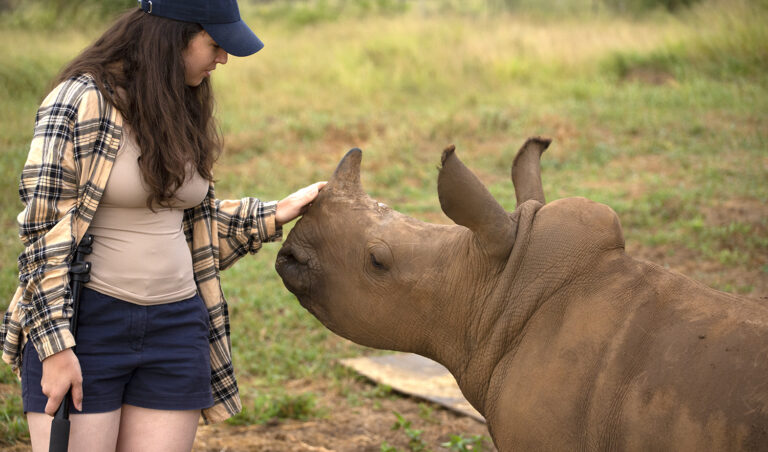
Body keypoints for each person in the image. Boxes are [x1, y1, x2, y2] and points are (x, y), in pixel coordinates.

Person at [0, 1, 325, 450]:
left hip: (177, 324)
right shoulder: (81, 100)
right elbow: (42, 234)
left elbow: (187, 224)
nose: (223, 58)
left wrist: (274, 212)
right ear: (171, 38)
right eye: (214, 44)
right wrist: (56, 348)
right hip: (88, 325)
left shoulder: (180, 101)